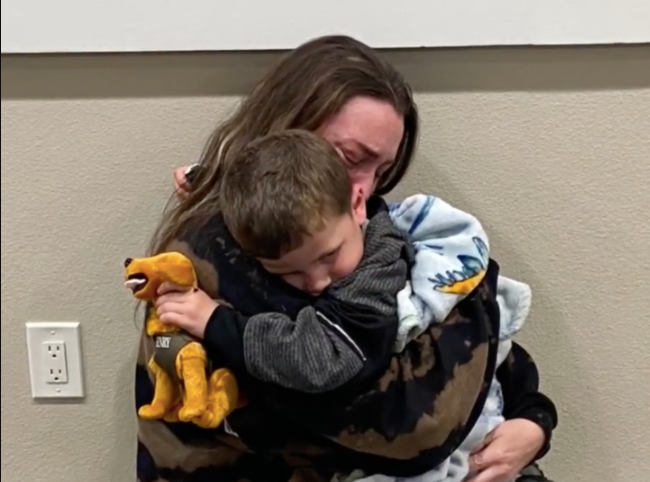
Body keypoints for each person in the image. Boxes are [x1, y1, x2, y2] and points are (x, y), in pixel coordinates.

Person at [137, 35, 557, 482]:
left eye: (381, 170)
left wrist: (534, 418)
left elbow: (479, 340)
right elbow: (414, 425)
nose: (366, 188)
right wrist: (476, 287)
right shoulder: (230, 251)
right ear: (285, 130)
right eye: (350, 157)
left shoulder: (356, 227)